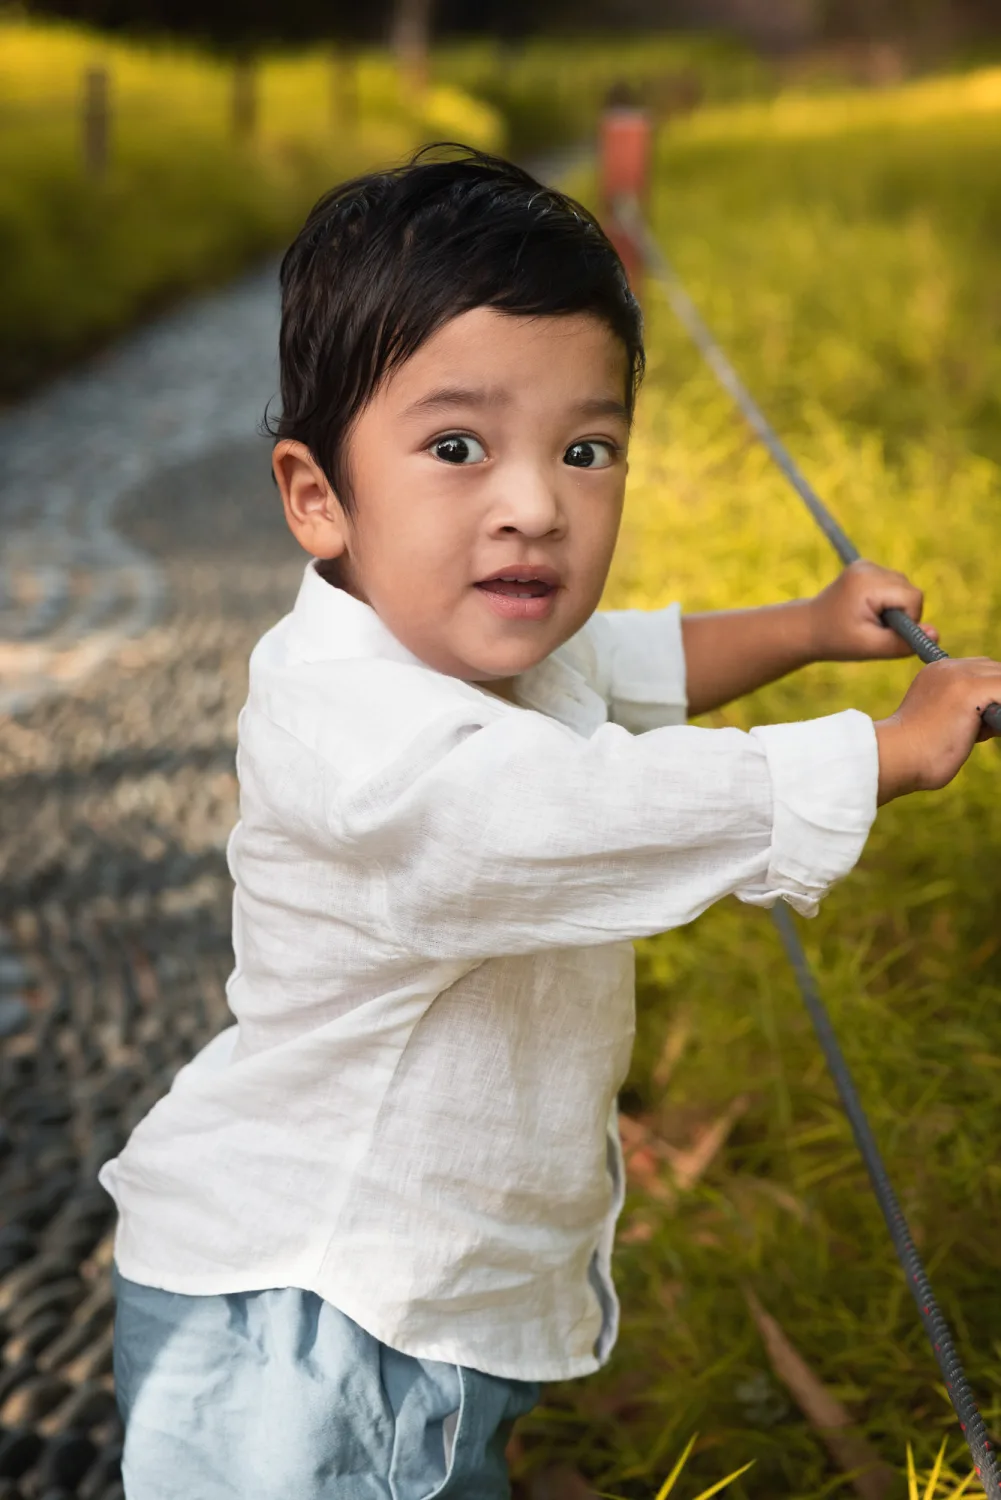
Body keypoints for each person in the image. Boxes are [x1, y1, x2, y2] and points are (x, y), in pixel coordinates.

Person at [99, 146, 1001, 1500]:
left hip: (418, 1311)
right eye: (458, 447)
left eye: (586, 449)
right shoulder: (365, 741)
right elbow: (566, 810)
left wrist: (809, 631)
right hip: (314, 1327)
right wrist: (879, 756)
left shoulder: (473, 650)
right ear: (316, 496)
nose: (534, 503)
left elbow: (628, 667)